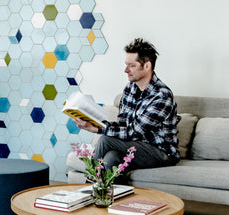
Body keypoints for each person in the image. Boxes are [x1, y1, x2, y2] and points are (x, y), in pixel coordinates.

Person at [73, 37, 180, 172]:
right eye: (126, 64)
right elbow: (123, 126)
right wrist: (95, 123)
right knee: (112, 158)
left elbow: (134, 132)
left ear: (147, 66)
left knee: (105, 140)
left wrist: (98, 129)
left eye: (132, 66)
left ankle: (90, 185)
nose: (126, 70)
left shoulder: (161, 96)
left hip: (162, 153)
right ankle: (107, 192)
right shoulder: (129, 89)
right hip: (135, 146)